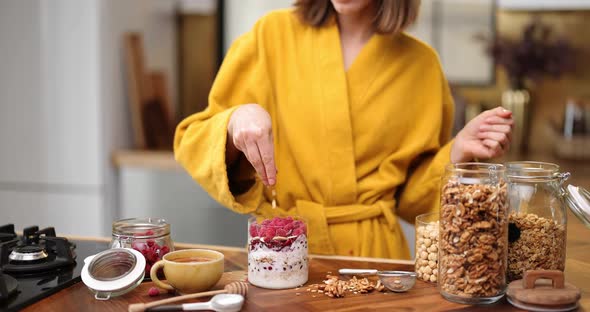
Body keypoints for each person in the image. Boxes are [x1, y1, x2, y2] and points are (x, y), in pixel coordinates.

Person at [174, 0, 513, 259]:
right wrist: (235, 121)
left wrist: (457, 151)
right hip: (282, 252)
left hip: (376, 261)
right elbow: (195, 138)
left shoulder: (421, 66)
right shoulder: (270, 35)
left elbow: (412, 201)